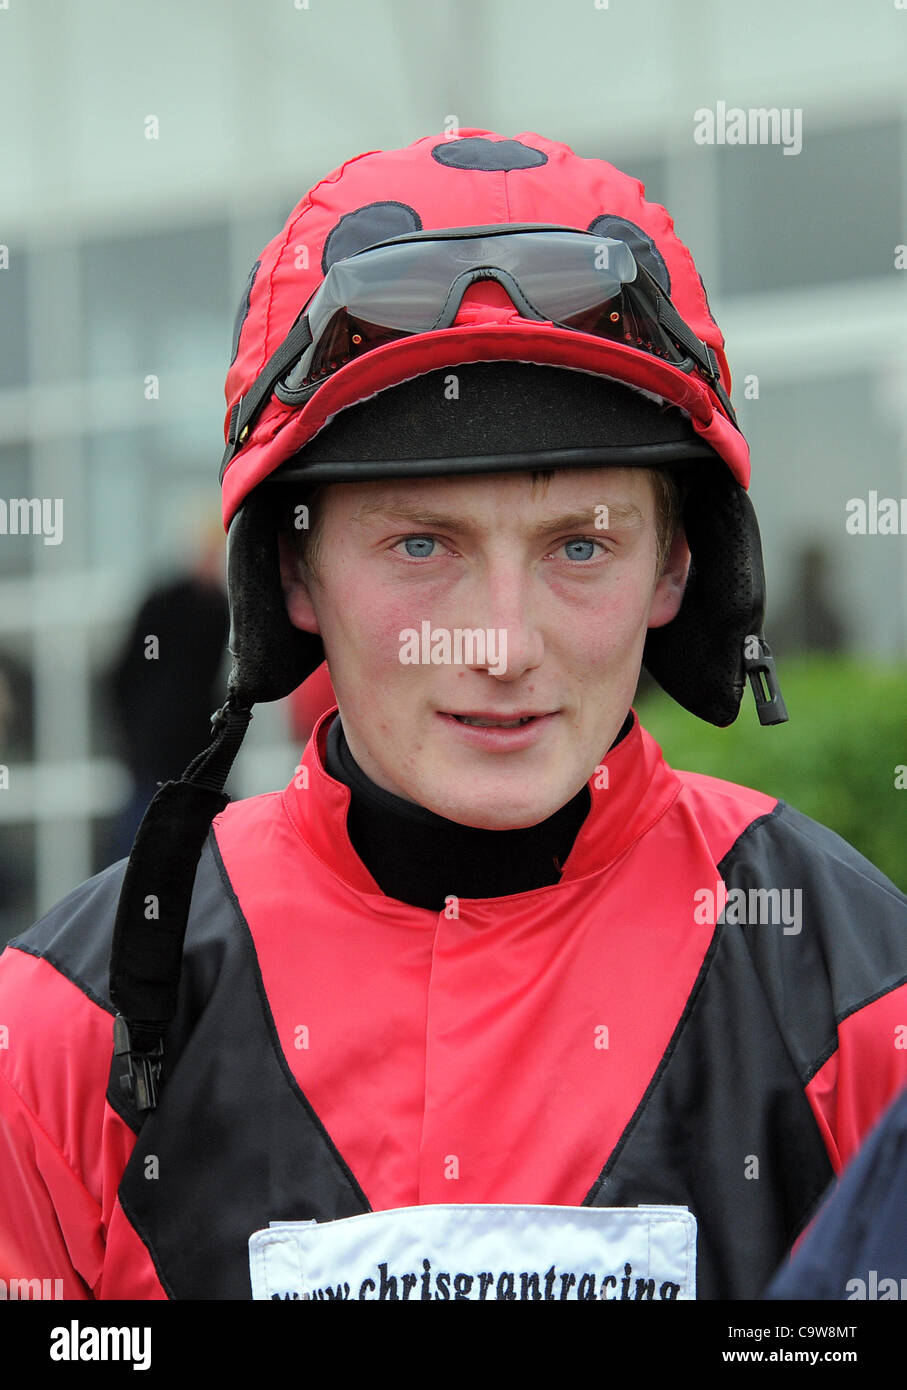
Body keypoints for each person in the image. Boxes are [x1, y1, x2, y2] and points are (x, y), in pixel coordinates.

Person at [0, 129, 905, 1302]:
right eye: (422, 544)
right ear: (292, 575)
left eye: (580, 544)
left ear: (677, 570)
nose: (502, 645)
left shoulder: (860, 991)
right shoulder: (62, 1029)